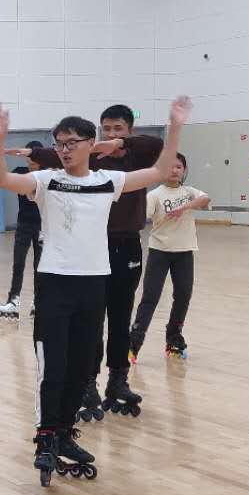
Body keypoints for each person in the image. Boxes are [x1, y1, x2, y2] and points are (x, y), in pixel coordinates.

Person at [0, 95, 190, 487]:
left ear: (90, 145)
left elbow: (161, 170)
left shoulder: (106, 182)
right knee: (54, 368)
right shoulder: (46, 181)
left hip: (93, 284)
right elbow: (2, 179)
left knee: (81, 368)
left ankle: (64, 433)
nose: (64, 150)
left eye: (72, 143)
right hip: (54, 285)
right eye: (59, 144)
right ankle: (46, 437)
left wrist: (176, 126)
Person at [83, 104, 167, 421]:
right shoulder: (92, 159)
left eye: (118, 128)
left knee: (120, 317)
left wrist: (120, 144)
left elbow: (158, 144)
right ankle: (87, 382)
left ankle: (118, 380)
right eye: (106, 128)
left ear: (129, 130)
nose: (110, 134)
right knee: (93, 318)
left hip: (128, 245)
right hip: (94, 246)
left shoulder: (138, 157)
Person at [0, 141, 62, 317]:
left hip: (42, 227)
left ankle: (39, 301)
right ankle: (13, 300)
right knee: (18, 263)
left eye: (34, 156)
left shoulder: (47, 175)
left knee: (40, 265)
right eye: (29, 157)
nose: (31, 160)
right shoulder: (21, 173)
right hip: (23, 225)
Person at [130, 153, 210, 361]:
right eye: (170, 167)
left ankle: (174, 338)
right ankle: (133, 342)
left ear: (184, 170)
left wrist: (185, 207)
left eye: (178, 167)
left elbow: (205, 199)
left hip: (184, 252)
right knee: (151, 297)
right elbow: (140, 219)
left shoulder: (189, 192)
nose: (174, 170)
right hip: (159, 252)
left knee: (183, 296)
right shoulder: (155, 195)